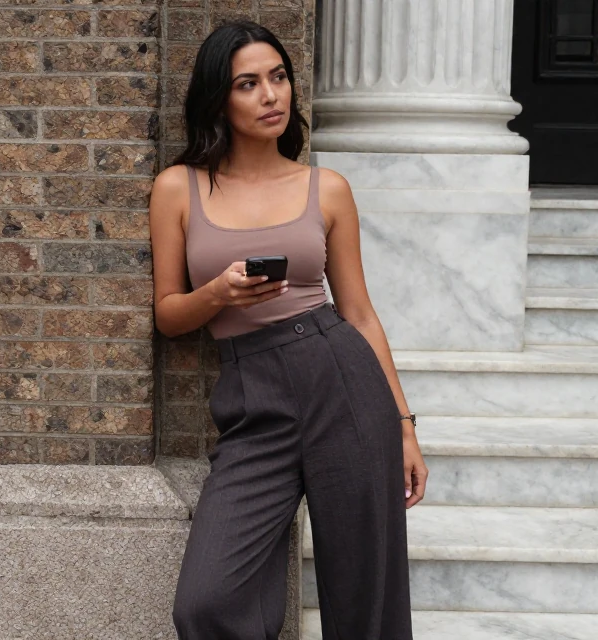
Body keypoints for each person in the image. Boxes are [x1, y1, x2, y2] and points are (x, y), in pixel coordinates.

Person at [149, 20, 427, 640]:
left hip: (342, 382)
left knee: (366, 601)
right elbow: (168, 313)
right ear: (219, 97)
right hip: (253, 400)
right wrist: (217, 293)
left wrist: (404, 426)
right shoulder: (178, 189)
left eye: (279, 78)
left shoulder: (325, 189)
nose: (271, 95)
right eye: (248, 83)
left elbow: (359, 313)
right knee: (206, 603)